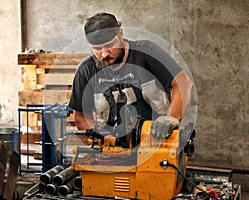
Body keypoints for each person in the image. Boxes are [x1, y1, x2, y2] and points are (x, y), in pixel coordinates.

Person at [69, 12, 193, 140]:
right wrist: (105, 140)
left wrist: (171, 118)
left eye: (110, 45)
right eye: (97, 49)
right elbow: (81, 117)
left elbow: (183, 83)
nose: (105, 54)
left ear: (120, 34)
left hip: (158, 141)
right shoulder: (86, 70)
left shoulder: (147, 53)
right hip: (112, 148)